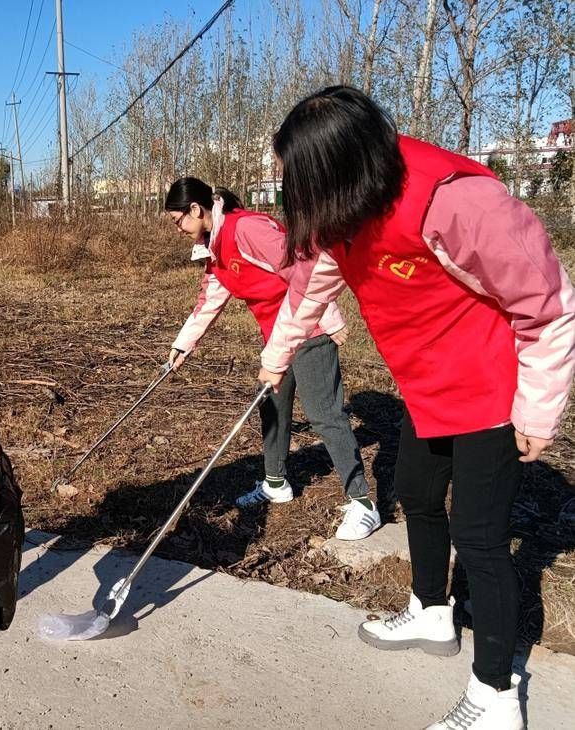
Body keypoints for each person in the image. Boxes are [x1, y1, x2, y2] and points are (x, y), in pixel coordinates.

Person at [259, 86, 575, 729]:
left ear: (344, 168)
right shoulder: (339, 211)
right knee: (417, 494)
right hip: (425, 383)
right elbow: (310, 288)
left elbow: (547, 305)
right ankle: (433, 612)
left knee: (483, 540)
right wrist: (278, 354)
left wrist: (539, 411)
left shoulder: (454, 200)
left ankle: (496, 695)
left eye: (301, 180)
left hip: (490, 389)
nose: (295, 195)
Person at [164, 177, 380, 541]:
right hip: (275, 340)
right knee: (271, 406)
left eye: (178, 220)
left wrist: (328, 316)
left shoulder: (246, 229)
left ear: (196, 210)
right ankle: (275, 483)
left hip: (308, 330)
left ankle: (362, 502)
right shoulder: (213, 248)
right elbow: (210, 300)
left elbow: (303, 266)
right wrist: (184, 343)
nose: (178, 229)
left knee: (324, 414)